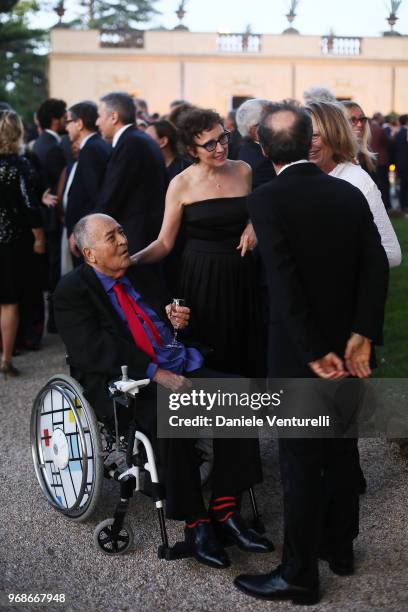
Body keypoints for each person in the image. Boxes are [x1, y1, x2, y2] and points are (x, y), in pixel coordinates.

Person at [234, 102, 389, 604]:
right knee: (341, 448)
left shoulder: (266, 198)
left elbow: (285, 284)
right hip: (349, 344)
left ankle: (299, 574)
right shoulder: (348, 190)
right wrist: (362, 333)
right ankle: (339, 548)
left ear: (262, 148)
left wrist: (316, 352)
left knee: (301, 461)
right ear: (308, 142)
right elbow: (376, 266)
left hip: (304, 351)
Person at [53, 213, 273, 568]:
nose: (123, 240)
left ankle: (226, 508)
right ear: (90, 254)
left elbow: (167, 311)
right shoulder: (72, 292)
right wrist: (155, 373)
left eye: (121, 231)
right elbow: (91, 349)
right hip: (128, 383)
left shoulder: (139, 271)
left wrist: (175, 315)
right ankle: (196, 524)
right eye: (111, 237)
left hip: (178, 362)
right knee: (172, 412)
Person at [131, 107, 265, 377]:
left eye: (223, 138)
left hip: (243, 274)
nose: (220, 148)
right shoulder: (180, 184)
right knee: (210, 351)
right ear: (192, 150)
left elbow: (257, 214)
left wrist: (253, 226)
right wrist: (131, 260)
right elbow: (164, 243)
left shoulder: (243, 170)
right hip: (203, 277)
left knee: (248, 345)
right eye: (209, 144)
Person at [306, 100, 401, 268]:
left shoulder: (356, 179)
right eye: (301, 135)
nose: (307, 143)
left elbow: (391, 253)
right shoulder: (296, 174)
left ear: (334, 135)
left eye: (314, 135)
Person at [0, 110, 45, 376]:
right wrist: (39, 238)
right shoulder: (19, 166)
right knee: (8, 302)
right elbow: (30, 207)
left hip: (8, 240)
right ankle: (6, 358)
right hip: (10, 242)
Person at [95, 92, 167, 252]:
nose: (97, 122)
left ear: (113, 117)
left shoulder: (130, 143)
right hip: (145, 234)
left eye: (99, 116)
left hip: (136, 237)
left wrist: (91, 229)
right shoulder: (139, 139)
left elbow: (113, 193)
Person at [32, 98, 67, 332]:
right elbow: (57, 187)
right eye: (65, 116)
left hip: (44, 218)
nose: (67, 120)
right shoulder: (54, 148)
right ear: (56, 120)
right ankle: (55, 321)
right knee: (55, 272)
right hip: (52, 219)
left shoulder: (39, 143)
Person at [63, 100, 111, 268]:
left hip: (88, 236)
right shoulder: (94, 146)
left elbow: (95, 197)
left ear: (80, 123)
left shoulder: (91, 149)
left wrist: (80, 232)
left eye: (68, 122)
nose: (66, 127)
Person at [236, 98, 276, 189]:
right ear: (254, 128)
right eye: (271, 119)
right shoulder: (261, 162)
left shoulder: (248, 149)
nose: (276, 123)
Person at [342, 101, 377, 178]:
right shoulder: (331, 160)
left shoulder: (368, 158)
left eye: (362, 119)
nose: (360, 124)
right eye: (352, 120)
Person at [394, 114, 408, 213]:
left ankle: (403, 206)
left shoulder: (397, 133)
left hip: (400, 163)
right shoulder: (404, 133)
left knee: (402, 186)